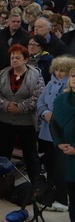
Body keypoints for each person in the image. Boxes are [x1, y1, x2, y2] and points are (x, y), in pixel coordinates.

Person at [0, 44, 45, 182]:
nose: (14, 60)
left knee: (30, 154)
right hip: (5, 119)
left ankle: (36, 184)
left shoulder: (35, 74)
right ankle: (1, 182)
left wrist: (20, 107)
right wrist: (6, 105)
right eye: (12, 57)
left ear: (26, 59)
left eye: (18, 58)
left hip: (26, 122)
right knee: (4, 152)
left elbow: (38, 96)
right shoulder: (4, 73)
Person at [38, 56, 75, 212]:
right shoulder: (60, 96)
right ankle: (59, 198)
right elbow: (41, 104)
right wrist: (59, 141)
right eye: (73, 75)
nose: (60, 74)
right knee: (57, 171)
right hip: (57, 140)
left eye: (64, 72)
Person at [49, 68, 75, 222]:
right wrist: (59, 143)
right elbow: (54, 124)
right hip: (67, 157)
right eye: (73, 75)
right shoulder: (61, 99)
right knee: (73, 198)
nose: (74, 79)